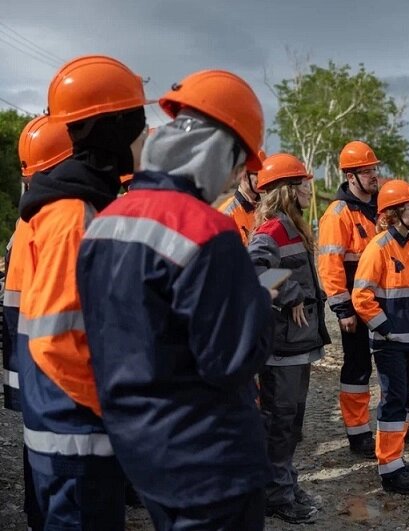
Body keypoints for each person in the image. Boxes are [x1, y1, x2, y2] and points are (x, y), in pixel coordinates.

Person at [76, 69, 274, 530]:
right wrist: (257, 302)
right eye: (238, 165)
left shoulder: (104, 222)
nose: (233, 179)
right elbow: (232, 360)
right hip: (210, 460)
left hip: (143, 449)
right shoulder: (206, 229)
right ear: (217, 155)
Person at [16, 55, 148, 528]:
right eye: (139, 121)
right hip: (77, 435)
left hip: (74, 428)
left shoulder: (82, 206)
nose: (146, 135)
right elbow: (57, 338)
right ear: (112, 130)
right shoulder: (73, 216)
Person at [247, 153, 330, 524]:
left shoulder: (293, 226)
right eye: (303, 183)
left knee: (291, 421)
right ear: (286, 190)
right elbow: (254, 271)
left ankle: (283, 482)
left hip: (297, 343)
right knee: (280, 421)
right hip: (280, 347)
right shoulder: (271, 231)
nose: (309, 189)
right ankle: (275, 494)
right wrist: (292, 292)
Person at [4, 114, 74, 531]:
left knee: (37, 445)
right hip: (41, 358)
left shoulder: (27, 222)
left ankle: (37, 513)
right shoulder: (53, 223)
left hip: (25, 354)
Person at [351, 179, 409, 494]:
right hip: (389, 345)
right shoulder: (378, 248)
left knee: (405, 400)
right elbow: (362, 296)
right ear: (393, 213)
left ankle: (395, 459)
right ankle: (389, 469)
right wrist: (386, 329)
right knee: (394, 402)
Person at [218, 149, 265, 244]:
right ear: (244, 175)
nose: (264, 178)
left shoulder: (266, 209)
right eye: (258, 174)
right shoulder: (226, 214)